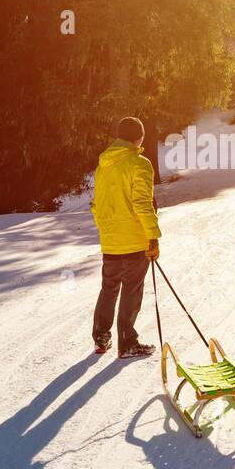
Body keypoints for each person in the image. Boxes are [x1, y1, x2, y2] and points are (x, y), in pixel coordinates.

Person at [90, 116, 161, 358]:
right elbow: (142, 203)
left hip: (110, 241)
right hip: (133, 240)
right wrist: (153, 237)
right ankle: (127, 342)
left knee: (109, 288)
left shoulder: (103, 166)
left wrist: (106, 231)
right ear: (138, 137)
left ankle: (101, 337)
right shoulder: (139, 163)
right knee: (131, 289)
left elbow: (96, 206)